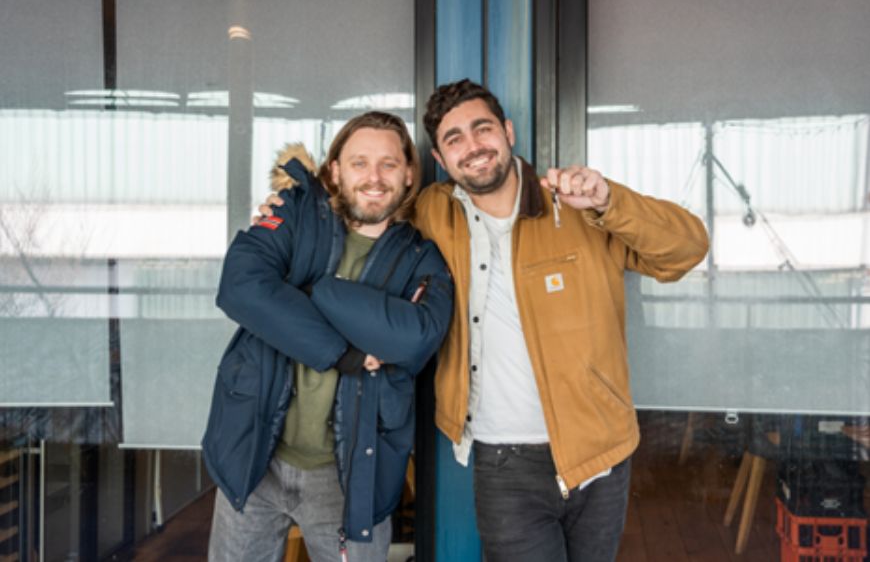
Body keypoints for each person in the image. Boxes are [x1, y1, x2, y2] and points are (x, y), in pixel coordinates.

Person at [260, 80, 709, 561]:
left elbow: (685, 251)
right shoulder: (433, 212)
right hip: (503, 460)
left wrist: (608, 200)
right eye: (454, 139)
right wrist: (289, 208)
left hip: (599, 451)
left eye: (482, 129)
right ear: (440, 159)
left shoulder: (577, 209)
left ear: (508, 131)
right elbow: (368, 199)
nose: (472, 147)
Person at [203, 111, 454, 562]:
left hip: (352, 473)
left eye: (388, 164)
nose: (373, 178)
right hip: (256, 455)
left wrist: (315, 291)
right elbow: (239, 287)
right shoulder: (296, 214)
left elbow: (416, 339)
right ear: (335, 170)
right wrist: (345, 352)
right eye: (359, 163)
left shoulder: (424, 256)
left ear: (409, 173)